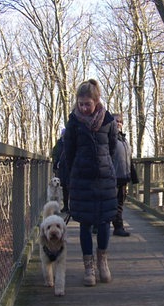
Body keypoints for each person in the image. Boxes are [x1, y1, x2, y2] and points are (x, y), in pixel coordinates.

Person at [64, 79, 118, 286]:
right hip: (82, 180)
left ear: (96, 101)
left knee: (104, 221)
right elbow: (69, 153)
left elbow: (112, 149)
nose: (84, 108)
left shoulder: (108, 121)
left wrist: (106, 168)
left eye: (87, 104)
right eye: (80, 104)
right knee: (85, 223)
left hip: (104, 180)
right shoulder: (74, 123)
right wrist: (70, 179)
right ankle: (89, 268)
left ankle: (102, 261)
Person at [111, 113, 139, 237]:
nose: (119, 123)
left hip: (123, 176)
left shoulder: (124, 140)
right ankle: (99, 224)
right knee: (109, 203)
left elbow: (129, 159)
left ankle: (118, 227)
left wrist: (133, 176)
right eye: (116, 121)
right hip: (112, 177)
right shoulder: (109, 138)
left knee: (119, 203)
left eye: (120, 121)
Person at [51, 128, 69, 212]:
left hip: (69, 167)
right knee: (64, 187)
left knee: (70, 187)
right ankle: (66, 206)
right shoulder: (59, 143)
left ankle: (71, 207)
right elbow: (54, 153)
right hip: (62, 168)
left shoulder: (71, 142)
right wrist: (55, 162)